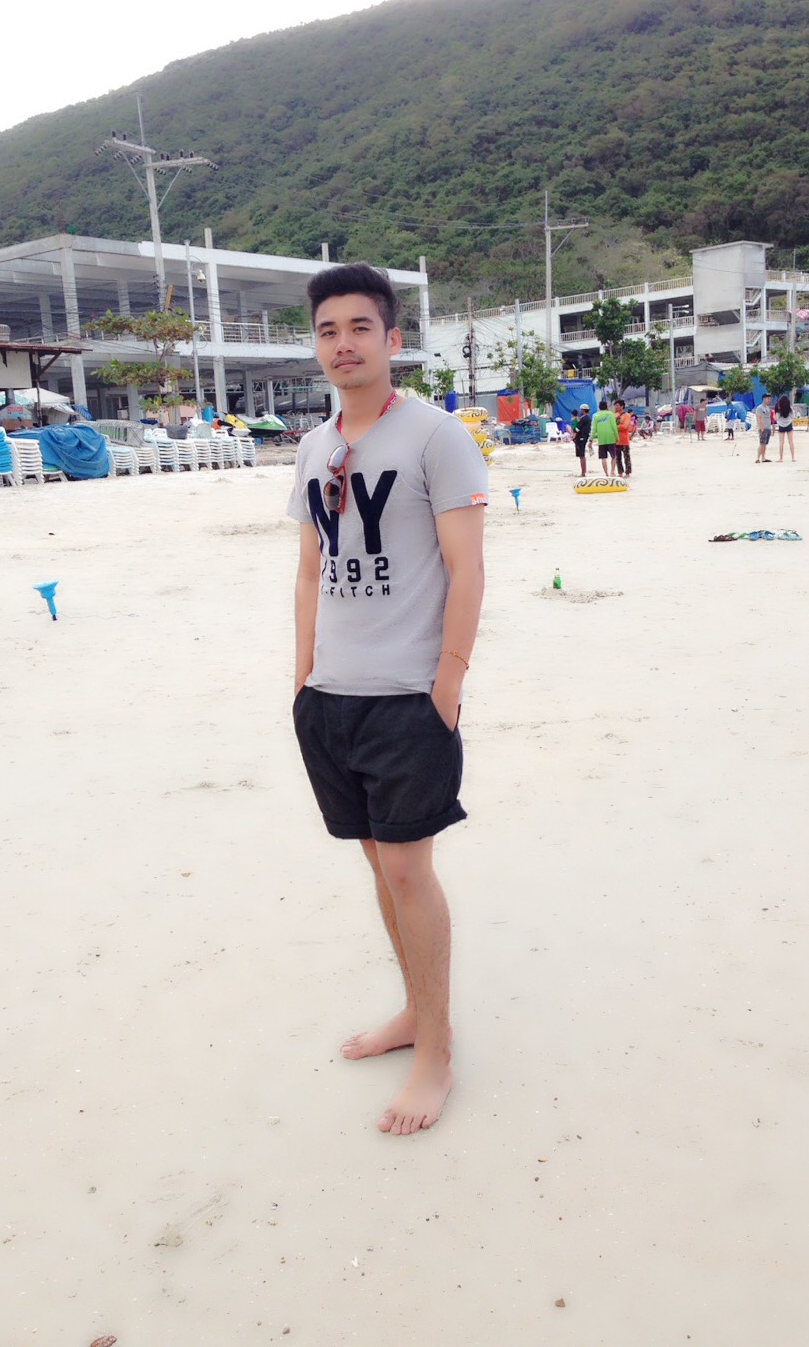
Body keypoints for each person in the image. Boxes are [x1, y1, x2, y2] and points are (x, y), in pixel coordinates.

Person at [288, 262, 488, 1136]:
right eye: (328, 330)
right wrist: (302, 676)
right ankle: (414, 1011)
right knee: (378, 863)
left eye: (359, 328)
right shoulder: (314, 446)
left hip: (409, 694)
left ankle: (436, 1051)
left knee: (409, 868)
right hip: (331, 698)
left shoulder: (437, 436)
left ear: (393, 339)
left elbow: (467, 568)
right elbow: (310, 569)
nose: (343, 344)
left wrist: (447, 681)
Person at [590, 398, 620, 477]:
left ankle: (606, 474)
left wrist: (590, 440)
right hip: (611, 438)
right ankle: (612, 472)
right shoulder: (610, 414)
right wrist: (617, 437)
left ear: (599, 407)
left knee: (603, 458)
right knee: (614, 456)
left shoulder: (595, 416)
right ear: (606, 407)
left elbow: (594, 429)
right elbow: (614, 427)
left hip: (601, 439)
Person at [613, 398, 635, 477]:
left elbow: (625, 426)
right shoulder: (614, 415)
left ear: (622, 406)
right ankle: (620, 472)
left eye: (617, 405)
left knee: (626, 457)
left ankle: (628, 472)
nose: (616, 407)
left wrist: (614, 427)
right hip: (616, 440)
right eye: (615, 405)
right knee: (617, 458)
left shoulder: (627, 415)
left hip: (624, 440)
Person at [775, 394, 796, 462]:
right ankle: (793, 457)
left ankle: (781, 458)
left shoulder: (779, 409)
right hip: (789, 424)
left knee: (781, 442)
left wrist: (779, 422)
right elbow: (793, 416)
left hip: (781, 425)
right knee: (791, 441)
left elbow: (776, 418)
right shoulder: (790, 408)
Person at [573, 403, 592, 476]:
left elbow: (578, 429)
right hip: (585, 437)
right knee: (582, 455)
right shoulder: (588, 418)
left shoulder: (583, 418)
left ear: (583, 410)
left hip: (581, 437)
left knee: (581, 455)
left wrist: (574, 431)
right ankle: (583, 472)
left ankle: (583, 472)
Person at [755, 392, 774, 463]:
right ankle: (757, 458)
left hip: (768, 427)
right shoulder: (759, 408)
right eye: (768, 399)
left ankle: (763, 457)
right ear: (764, 399)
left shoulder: (768, 408)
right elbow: (758, 418)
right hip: (763, 428)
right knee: (762, 443)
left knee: (765, 444)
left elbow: (770, 418)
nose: (769, 400)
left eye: (770, 399)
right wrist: (761, 427)